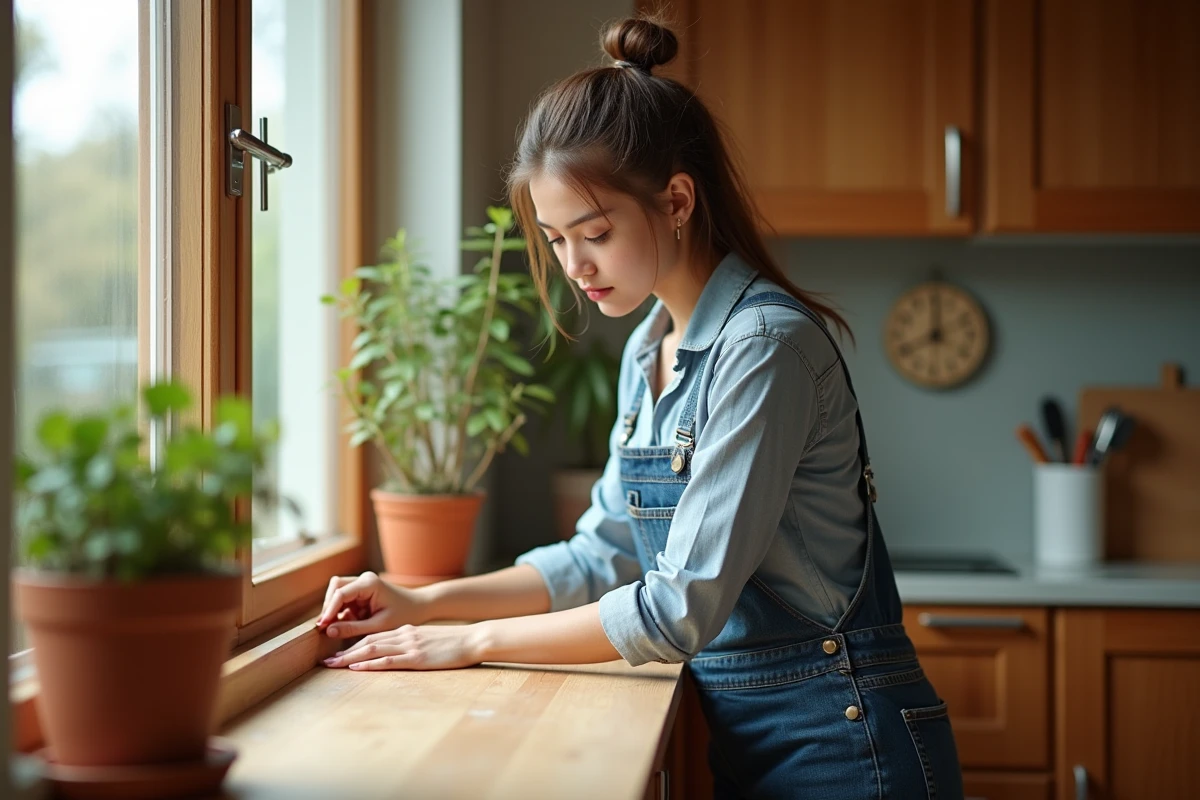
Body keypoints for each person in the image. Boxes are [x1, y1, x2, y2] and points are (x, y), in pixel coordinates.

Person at [316, 14, 963, 799]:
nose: (574, 266)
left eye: (593, 231)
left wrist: (466, 641)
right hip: (756, 744)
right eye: (555, 240)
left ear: (678, 200)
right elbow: (604, 556)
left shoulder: (763, 348)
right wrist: (421, 598)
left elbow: (678, 608)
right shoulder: (648, 347)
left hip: (846, 741)